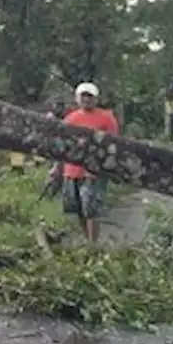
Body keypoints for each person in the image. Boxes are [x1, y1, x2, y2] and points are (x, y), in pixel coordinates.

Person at [57, 81, 120, 243]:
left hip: (93, 171)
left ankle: (93, 244)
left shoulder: (106, 118)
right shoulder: (70, 118)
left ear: (96, 99)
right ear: (77, 98)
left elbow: (114, 144)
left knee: (91, 209)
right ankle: (87, 241)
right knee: (77, 208)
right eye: (83, 96)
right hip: (72, 170)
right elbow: (61, 145)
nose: (86, 100)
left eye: (89, 96)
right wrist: (56, 168)